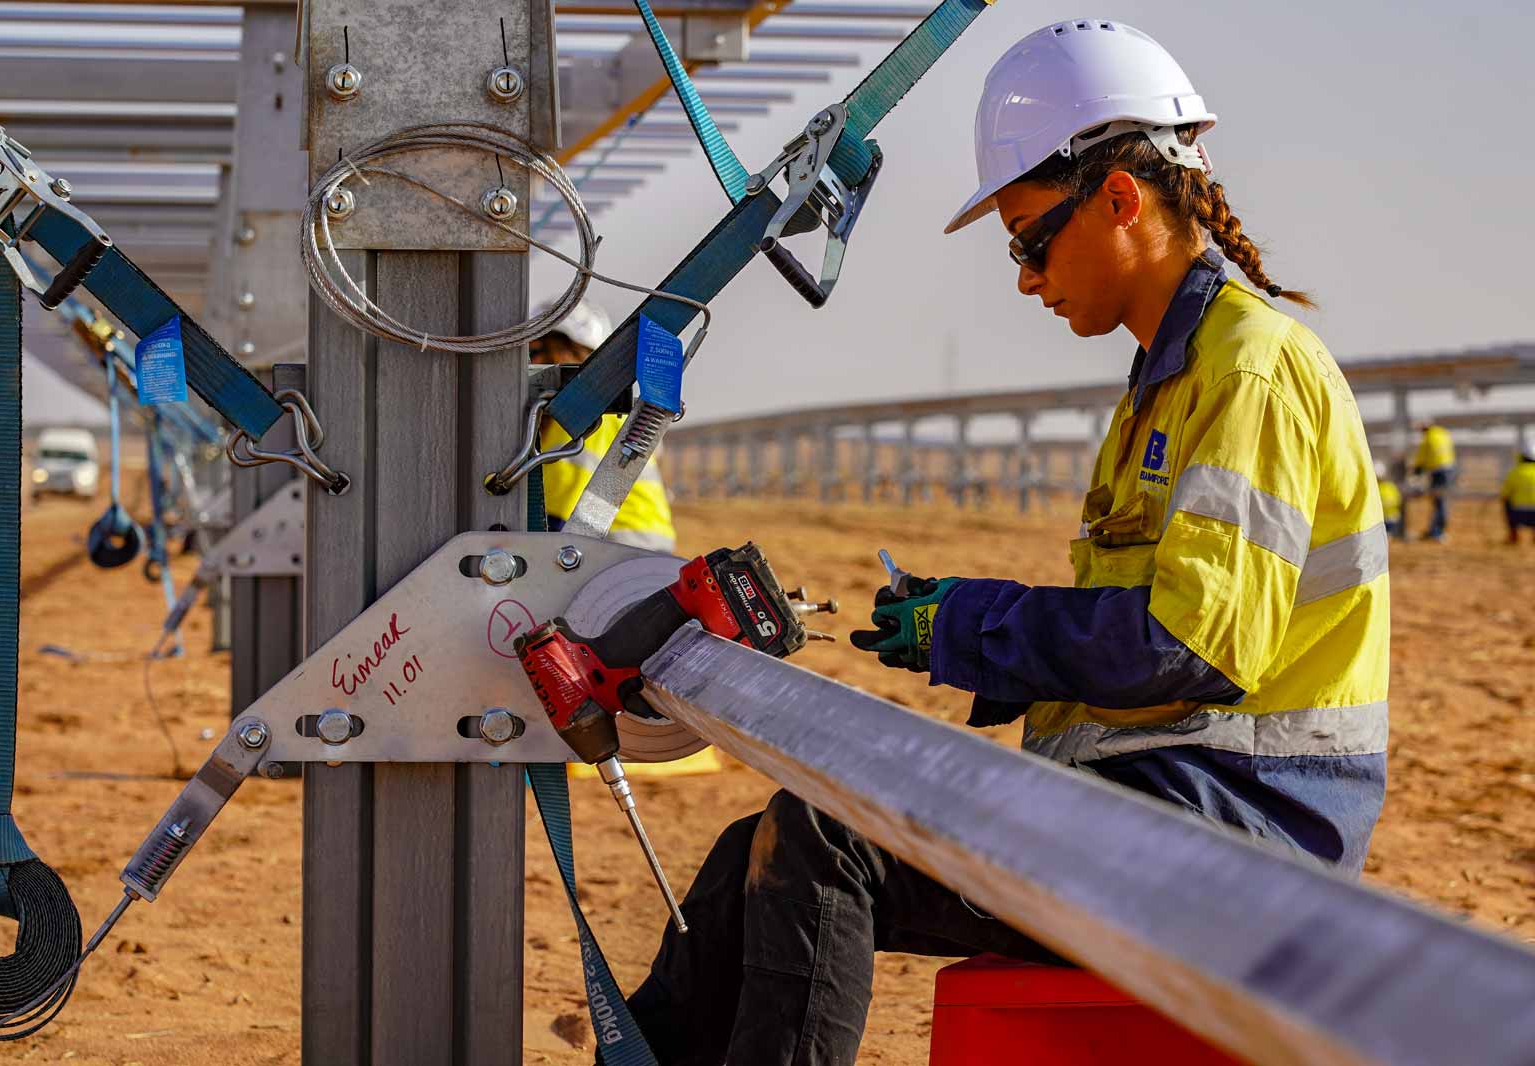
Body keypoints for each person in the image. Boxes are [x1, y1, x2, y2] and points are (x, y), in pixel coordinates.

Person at [613, 21, 1389, 1065]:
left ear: (1118, 196)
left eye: (1029, 239)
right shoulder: (1170, 379)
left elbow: (1190, 647)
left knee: (821, 840)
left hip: (1236, 841)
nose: (1025, 277)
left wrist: (971, 624)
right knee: (747, 852)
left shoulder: (1244, 369)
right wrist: (959, 628)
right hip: (1164, 803)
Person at [530, 299, 677, 553]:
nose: (529, 365)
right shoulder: (601, 411)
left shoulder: (586, 416)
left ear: (568, 353)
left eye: (535, 352)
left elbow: (556, 516)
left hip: (626, 553)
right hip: (638, 551)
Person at [1411, 420, 1456, 541]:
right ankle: (1436, 530)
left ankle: (1436, 532)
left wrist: (1416, 472)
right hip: (1450, 470)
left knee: (1439, 502)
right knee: (1441, 502)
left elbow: (1421, 458)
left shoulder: (1428, 439)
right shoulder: (1443, 434)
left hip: (1438, 473)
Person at [1502, 442, 1535, 545]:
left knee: (1507, 501)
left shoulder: (1515, 472)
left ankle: (1513, 534)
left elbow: (1505, 495)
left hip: (1518, 514)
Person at [1376, 460, 1405, 539]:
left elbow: (1398, 500)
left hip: (1392, 520)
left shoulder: (1390, 486)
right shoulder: (1375, 488)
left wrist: (1388, 503)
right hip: (1380, 522)